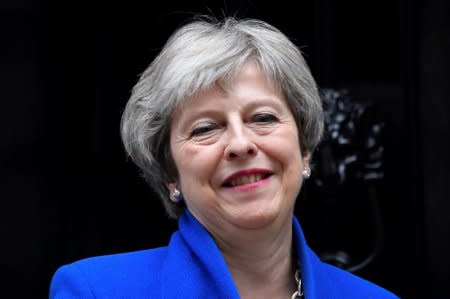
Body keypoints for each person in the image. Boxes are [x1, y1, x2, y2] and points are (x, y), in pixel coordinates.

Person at [49, 16, 399, 298]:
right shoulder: (95, 290)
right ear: (170, 173)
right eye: (205, 129)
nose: (240, 144)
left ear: (305, 149)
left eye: (263, 118)